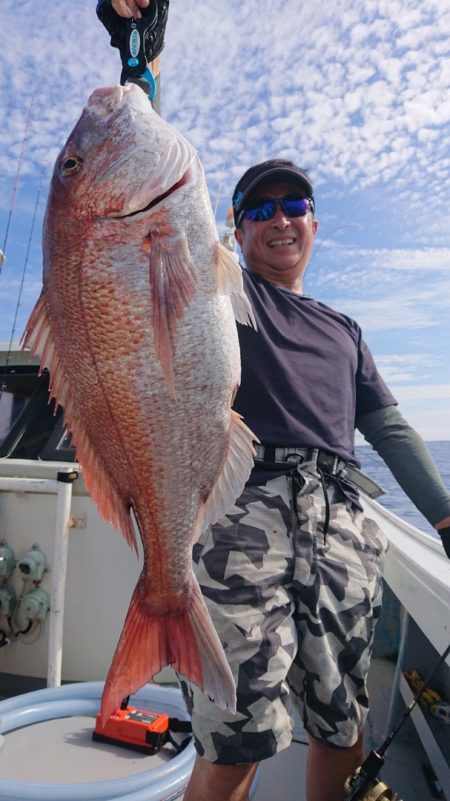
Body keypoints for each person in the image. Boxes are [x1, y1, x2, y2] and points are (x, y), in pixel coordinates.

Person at [97, 8, 450, 801]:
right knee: (238, 739)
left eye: (295, 206)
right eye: (260, 209)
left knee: (343, 724)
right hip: (245, 518)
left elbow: (388, 427)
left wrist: (446, 516)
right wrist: (138, 51)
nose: (280, 219)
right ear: (234, 231)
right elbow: (140, 169)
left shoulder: (344, 328)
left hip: (343, 530)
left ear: (316, 224)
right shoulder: (218, 289)